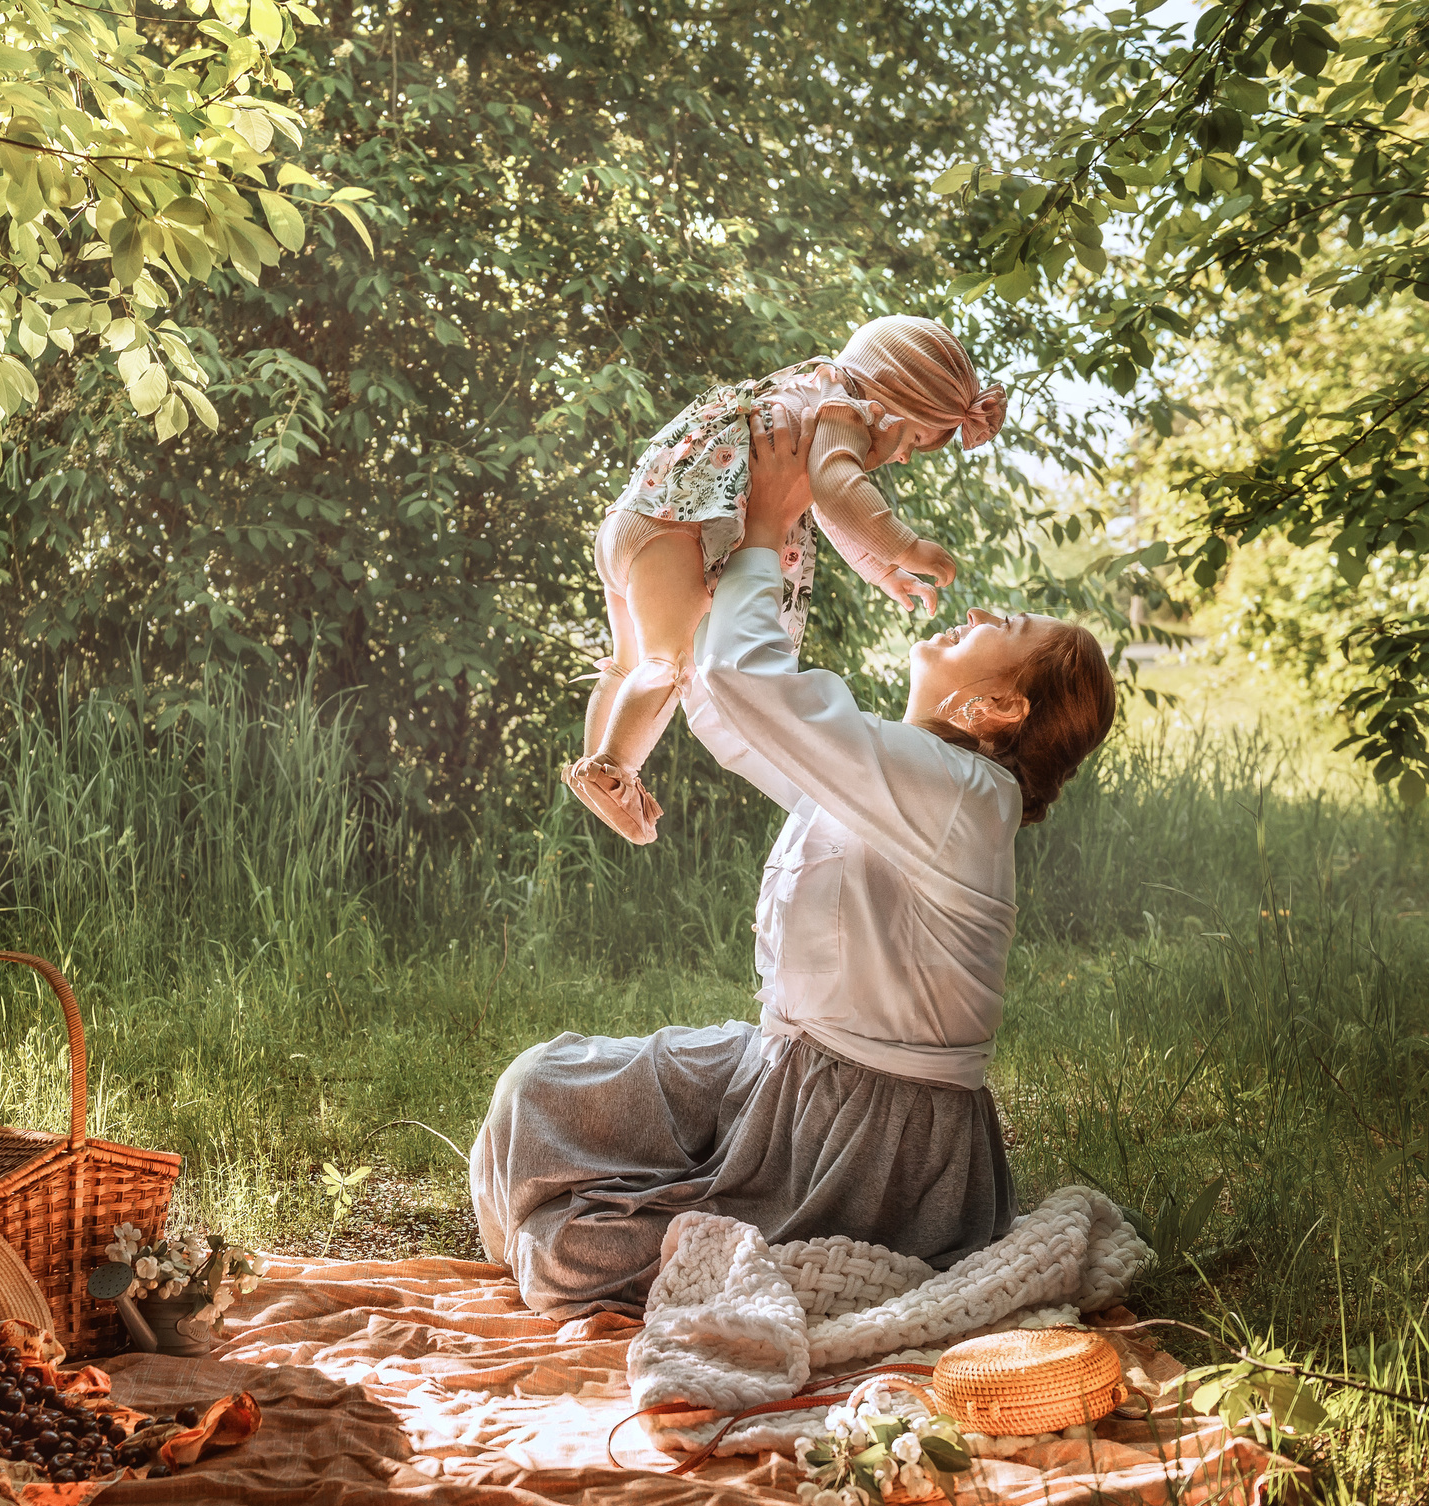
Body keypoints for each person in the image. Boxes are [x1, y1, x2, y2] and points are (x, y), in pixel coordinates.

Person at [475, 411, 1116, 1317]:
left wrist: (769, 530)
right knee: (538, 1089)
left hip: (877, 1137)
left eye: (1000, 624)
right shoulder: (909, 771)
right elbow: (733, 710)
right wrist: (725, 553)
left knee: (573, 1251)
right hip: (787, 1070)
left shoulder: (965, 796)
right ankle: (646, 1202)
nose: (975, 612)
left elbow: (753, 685)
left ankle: (663, 1226)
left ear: (995, 708)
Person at [564, 315, 1007, 845]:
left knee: (627, 664)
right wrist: (905, 547)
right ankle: (616, 769)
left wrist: (880, 570)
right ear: (892, 396)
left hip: (636, 520)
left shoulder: (810, 387)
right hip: (675, 530)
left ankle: (592, 766)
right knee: (665, 663)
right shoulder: (843, 410)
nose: (906, 455)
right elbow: (839, 489)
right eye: (913, 437)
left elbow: (827, 505)